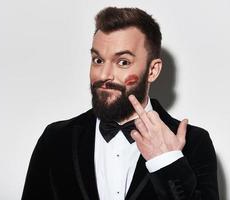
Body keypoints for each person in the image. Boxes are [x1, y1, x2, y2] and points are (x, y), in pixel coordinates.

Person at [22, 7, 219, 200]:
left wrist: (166, 163)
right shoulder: (56, 139)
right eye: (98, 60)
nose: (104, 75)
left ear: (152, 71)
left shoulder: (194, 142)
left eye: (123, 62)